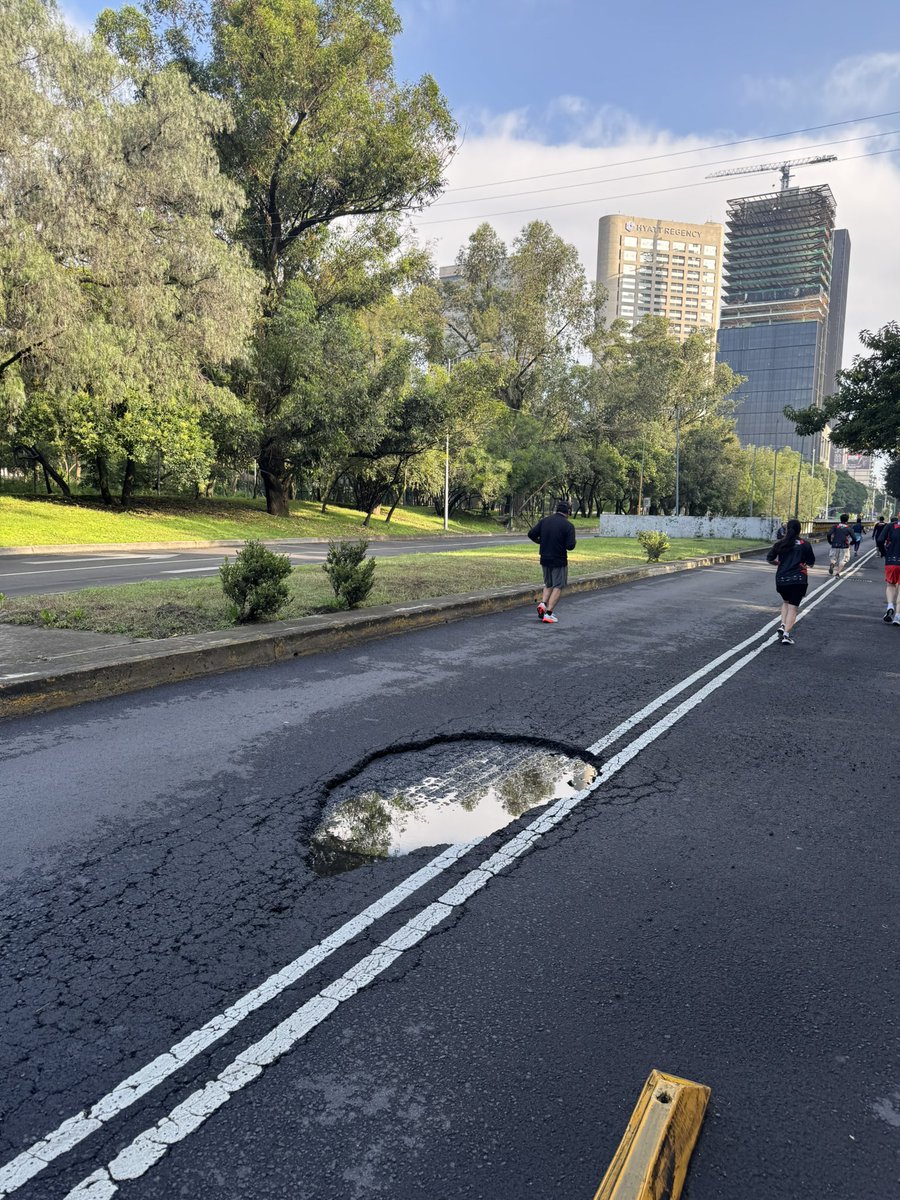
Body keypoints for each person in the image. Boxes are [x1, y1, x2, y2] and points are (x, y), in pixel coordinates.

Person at [766, 518, 815, 645]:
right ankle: (786, 635)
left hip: (782, 579)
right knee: (793, 607)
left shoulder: (780, 543)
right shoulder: (805, 544)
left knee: (786, 601)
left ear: (787, 529)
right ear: (800, 529)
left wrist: (778, 563)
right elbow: (811, 563)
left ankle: (782, 624)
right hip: (798, 580)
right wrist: (804, 565)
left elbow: (770, 558)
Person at [528, 500, 576, 624]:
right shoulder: (568, 526)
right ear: (568, 511)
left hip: (544, 557)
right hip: (559, 559)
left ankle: (543, 604)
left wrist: (541, 542)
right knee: (558, 586)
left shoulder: (545, 521)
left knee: (548, 584)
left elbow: (531, 534)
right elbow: (570, 546)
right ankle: (548, 614)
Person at [879, 515, 900, 624]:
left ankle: (890, 606)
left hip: (891, 560)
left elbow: (880, 540)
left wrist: (884, 553)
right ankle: (897, 616)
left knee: (890, 585)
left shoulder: (890, 526)